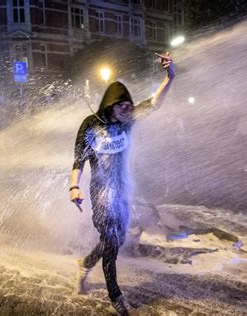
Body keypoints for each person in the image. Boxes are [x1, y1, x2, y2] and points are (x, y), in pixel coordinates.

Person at [69, 52, 175, 315]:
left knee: (114, 240)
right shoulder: (90, 126)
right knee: (111, 243)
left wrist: (170, 75)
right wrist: (74, 186)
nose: (128, 111)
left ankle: (85, 263)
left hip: (122, 190)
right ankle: (115, 296)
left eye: (129, 106)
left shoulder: (127, 123)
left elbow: (154, 102)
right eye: (122, 106)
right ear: (110, 105)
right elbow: (78, 160)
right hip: (101, 192)